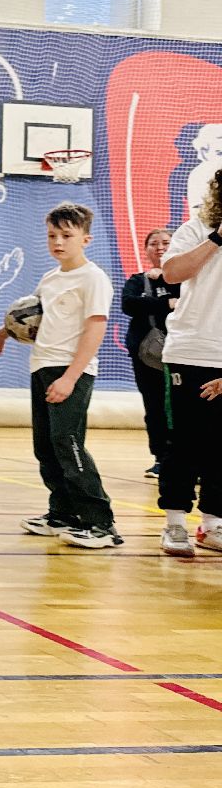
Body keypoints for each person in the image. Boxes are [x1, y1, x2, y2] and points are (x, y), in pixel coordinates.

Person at [0, 203, 122, 549]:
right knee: (45, 446)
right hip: (42, 366)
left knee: (67, 442)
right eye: (52, 235)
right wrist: (2, 334)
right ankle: (63, 513)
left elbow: (95, 329)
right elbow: (33, 316)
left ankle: (100, 523)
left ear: (86, 239)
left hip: (70, 371)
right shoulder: (50, 278)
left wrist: (71, 377)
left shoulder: (93, 278)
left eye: (66, 235)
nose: (58, 242)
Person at [157, 168, 222, 557]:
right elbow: (172, 273)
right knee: (185, 442)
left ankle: (212, 524)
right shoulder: (195, 229)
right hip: (191, 351)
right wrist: (217, 238)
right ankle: (175, 524)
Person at [121, 227, 179, 477]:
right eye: (153, 243)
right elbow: (129, 304)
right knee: (154, 406)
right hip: (146, 356)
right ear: (145, 250)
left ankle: (188, 459)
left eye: (165, 242)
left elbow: (189, 303)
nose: (160, 247)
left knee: (181, 407)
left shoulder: (187, 279)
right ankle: (160, 458)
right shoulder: (137, 281)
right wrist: (166, 303)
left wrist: (166, 276)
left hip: (181, 354)